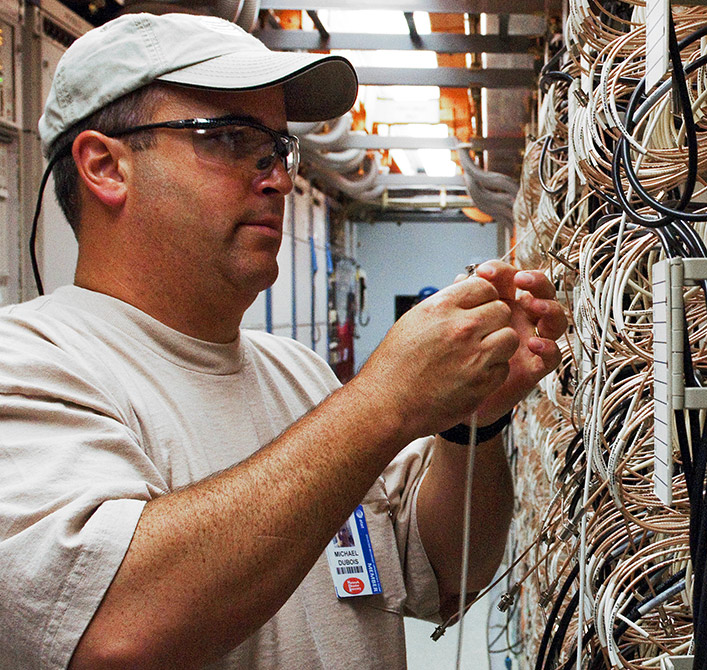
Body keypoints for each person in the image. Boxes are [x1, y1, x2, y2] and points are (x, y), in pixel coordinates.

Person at [0, 12, 567, 670]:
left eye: (276, 148)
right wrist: (386, 401)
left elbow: (445, 570)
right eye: (228, 138)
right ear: (106, 166)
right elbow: (114, 628)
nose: (275, 177)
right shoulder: (30, 367)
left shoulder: (295, 373)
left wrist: (475, 427)